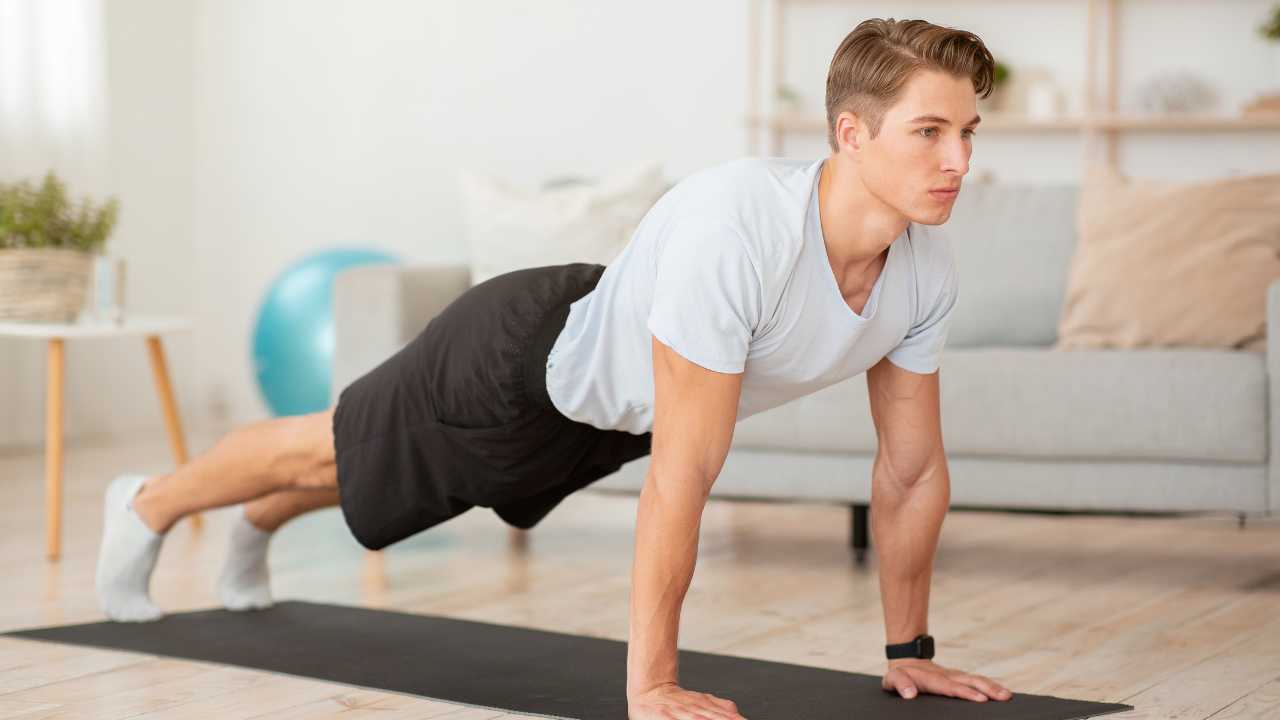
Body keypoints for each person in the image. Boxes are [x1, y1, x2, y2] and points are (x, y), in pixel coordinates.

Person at [95, 16, 1015, 719]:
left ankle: (255, 520)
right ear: (852, 134)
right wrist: (652, 685)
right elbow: (685, 475)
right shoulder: (739, 229)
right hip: (520, 361)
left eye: (969, 132)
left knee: (398, 488)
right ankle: (146, 505)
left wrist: (910, 647)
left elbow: (909, 469)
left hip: (608, 417)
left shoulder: (922, 268)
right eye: (930, 132)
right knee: (329, 447)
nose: (958, 161)